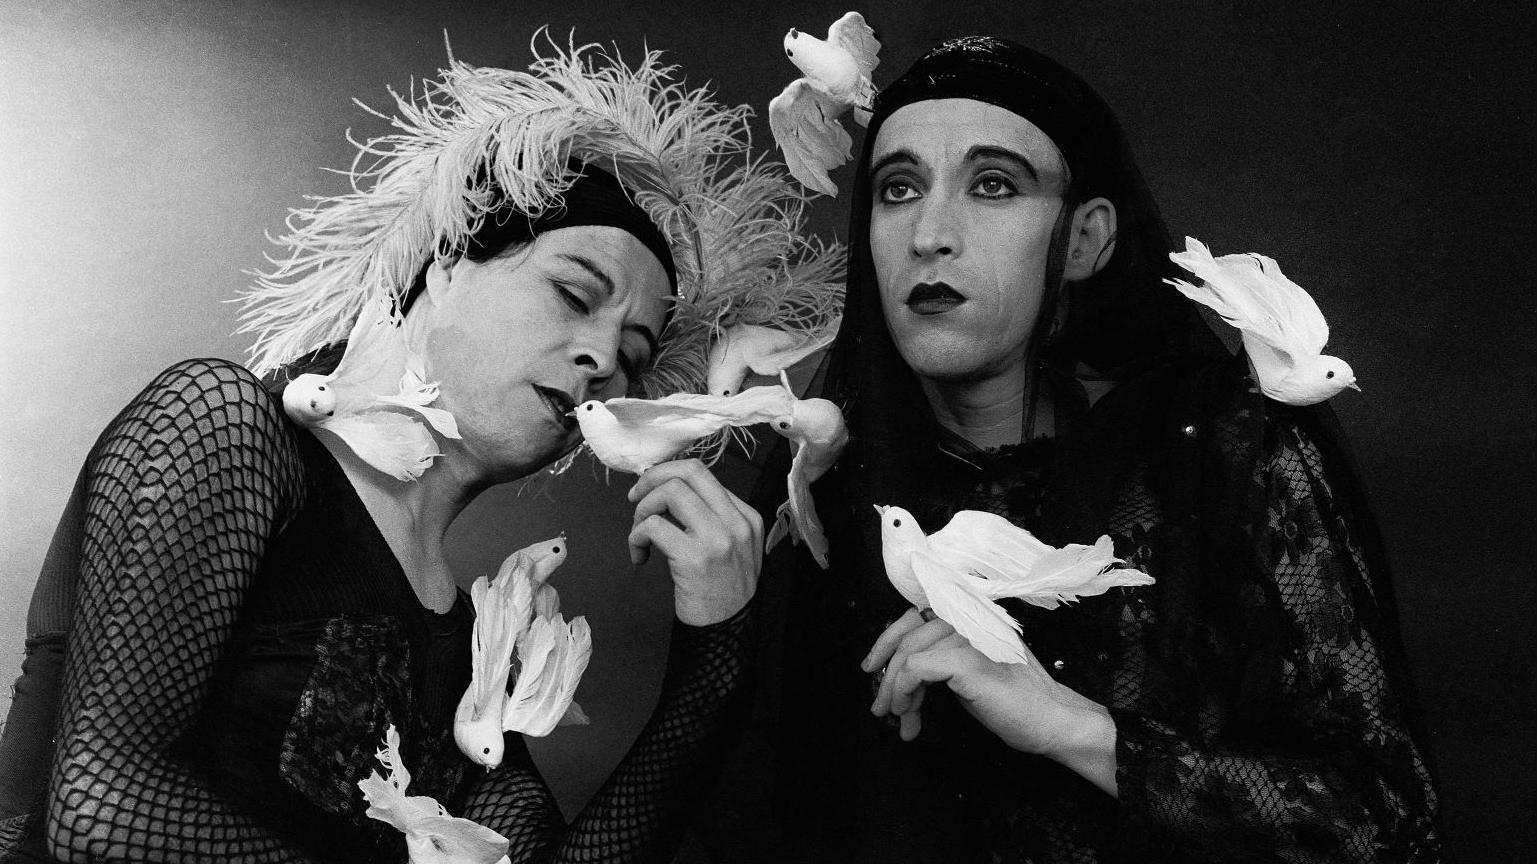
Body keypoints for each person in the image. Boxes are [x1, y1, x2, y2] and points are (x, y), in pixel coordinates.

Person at [0, 35, 841, 863]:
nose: (600, 360)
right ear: (445, 268)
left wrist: (715, 647)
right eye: (573, 294)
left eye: (632, 355)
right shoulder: (224, 427)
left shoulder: (471, 642)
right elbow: (101, 811)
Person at [700, 36, 1440, 862]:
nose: (929, 235)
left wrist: (1072, 726)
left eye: (993, 184)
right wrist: (708, 620)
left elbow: (1390, 823)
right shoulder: (821, 484)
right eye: (897, 188)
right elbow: (728, 820)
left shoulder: (1223, 448)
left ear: (1084, 239)